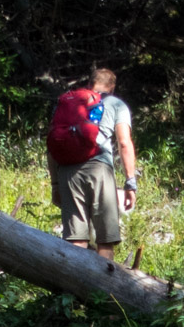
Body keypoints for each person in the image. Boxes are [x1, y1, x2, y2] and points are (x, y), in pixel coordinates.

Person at [48, 67, 138, 260]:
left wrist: (55, 184)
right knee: (105, 240)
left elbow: (52, 145)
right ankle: (103, 289)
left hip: (68, 171)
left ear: (90, 84)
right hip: (99, 168)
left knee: (75, 239)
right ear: (112, 87)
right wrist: (131, 182)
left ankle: (73, 287)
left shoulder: (68, 102)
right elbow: (124, 143)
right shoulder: (116, 104)